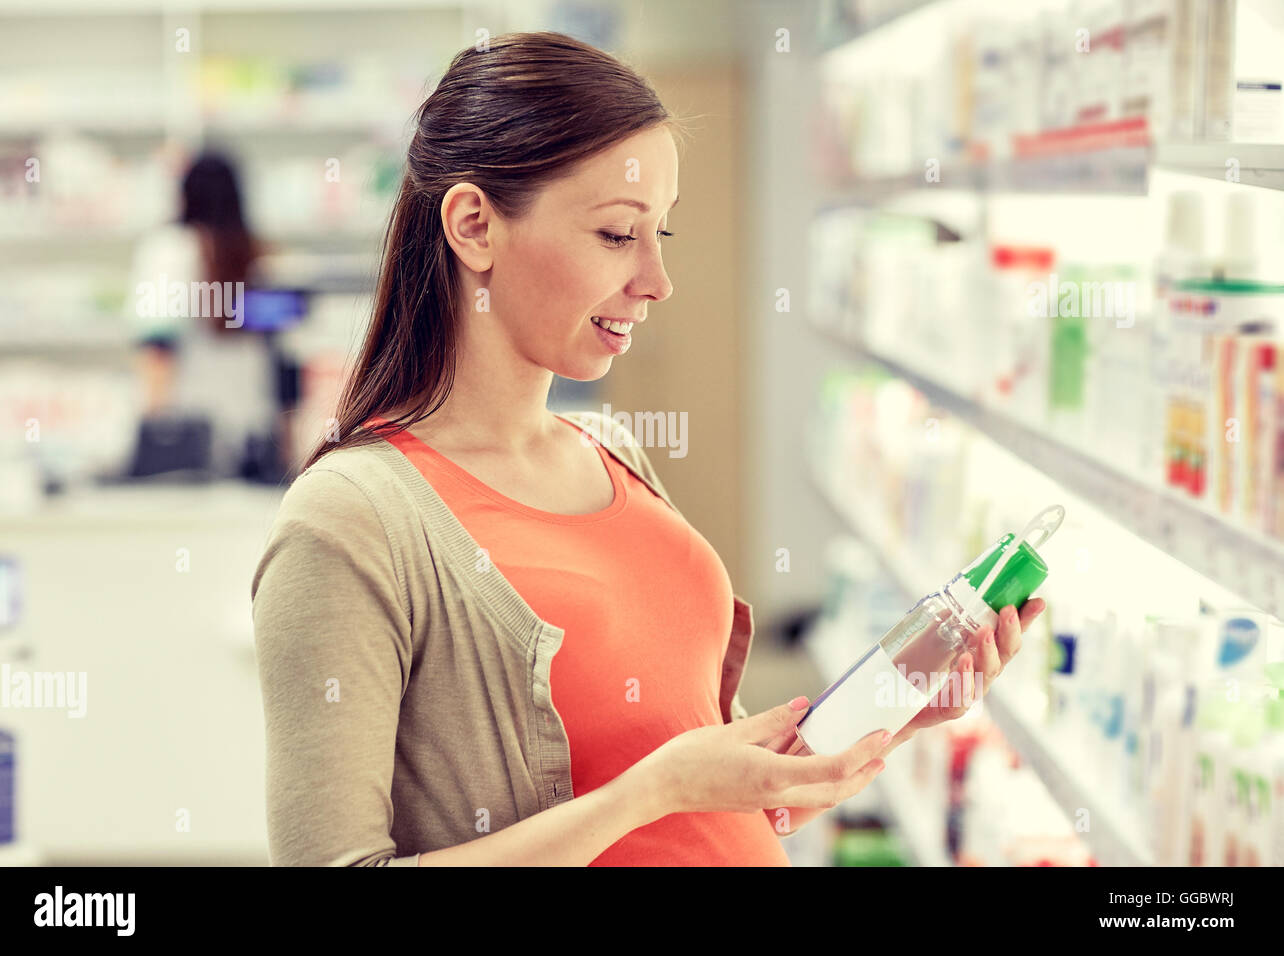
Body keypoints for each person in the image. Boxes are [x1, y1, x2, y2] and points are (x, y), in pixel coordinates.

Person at [250, 31, 1044, 867]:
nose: (656, 281)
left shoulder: (613, 451)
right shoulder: (349, 521)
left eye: (661, 234)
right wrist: (650, 791)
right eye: (615, 234)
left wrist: (895, 708)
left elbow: (717, 806)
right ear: (475, 225)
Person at [126, 151, 281, 479]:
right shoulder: (259, 255)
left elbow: (157, 347)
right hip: (252, 433)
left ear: (183, 195)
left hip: (186, 437)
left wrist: (152, 432)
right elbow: (277, 354)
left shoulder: (169, 251)